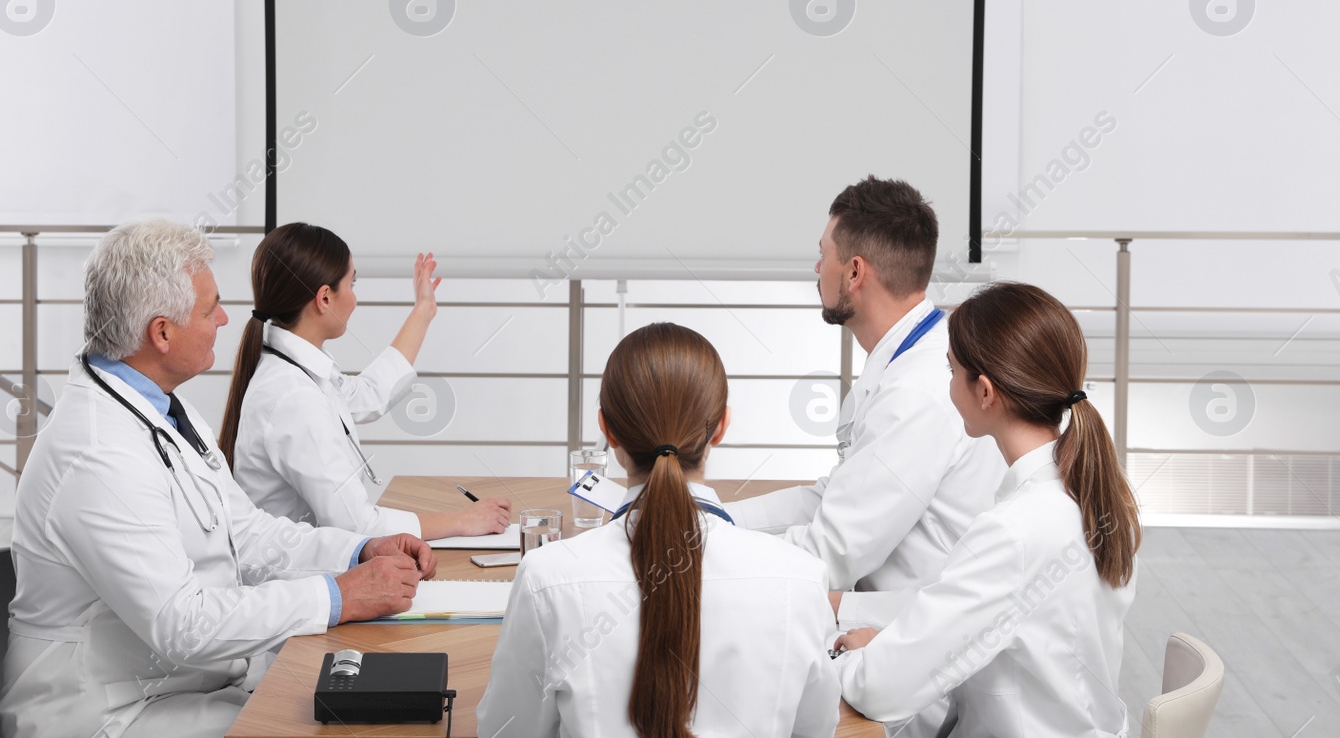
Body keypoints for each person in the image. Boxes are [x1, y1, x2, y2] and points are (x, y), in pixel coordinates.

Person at [0, 220, 436, 738]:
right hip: (107, 715)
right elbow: (182, 624)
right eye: (210, 310)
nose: (228, 319)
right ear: (161, 332)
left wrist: (357, 551)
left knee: (374, 709)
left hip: (184, 686)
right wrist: (338, 595)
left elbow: (245, 532)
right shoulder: (97, 454)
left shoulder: (161, 408)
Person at [723, 177, 1005, 736]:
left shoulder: (918, 391)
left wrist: (708, 558)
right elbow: (833, 497)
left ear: (854, 272)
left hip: (921, 675)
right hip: (888, 623)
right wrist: (717, 516)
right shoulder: (909, 357)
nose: (815, 270)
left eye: (821, 255)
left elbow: (831, 552)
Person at [478, 322, 842, 738]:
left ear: (607, 429)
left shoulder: (547, 578)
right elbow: (817, 729)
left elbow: (504, 732)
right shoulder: (800, 577)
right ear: (721, 427)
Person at [832, 282, 1142, 737]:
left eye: (951, 370)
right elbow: (986, 624)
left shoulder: (1016, 530)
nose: (947, 383)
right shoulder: (1092, 494)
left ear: (985, 392)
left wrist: (853, 659)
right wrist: (885, 639)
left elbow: (877, 690)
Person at [218, 222, 511, 539]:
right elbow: (358, 525)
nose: (355, 299)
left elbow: (368, 394)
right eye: (352, 284)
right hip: (295, 581)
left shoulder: (293, 369)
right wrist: (464, 521)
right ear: (325, 298)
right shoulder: (293, 397)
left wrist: (423, 310)